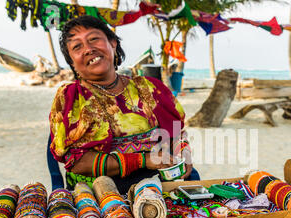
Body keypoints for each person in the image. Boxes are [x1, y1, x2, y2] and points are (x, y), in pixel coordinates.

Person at [49, 15, 199, 195]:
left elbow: (176, 131)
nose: (88, 49)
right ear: (72, 62)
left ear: (112, 43)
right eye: (77, 47)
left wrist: (182, 151)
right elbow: (77, 163)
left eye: (94, 39)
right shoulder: (70, 98)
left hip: (156, 188)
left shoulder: (149, 88)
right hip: (97, 197)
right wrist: (142, 160)